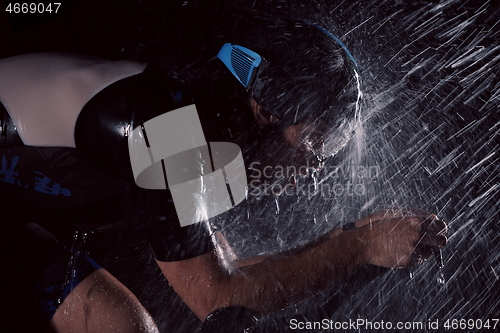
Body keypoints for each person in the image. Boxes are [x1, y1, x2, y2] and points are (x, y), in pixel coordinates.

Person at [1, 17, 447, 333]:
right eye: (317, 141)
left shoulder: (193, 129)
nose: (317, 167)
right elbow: (216, 297)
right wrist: (358, 246)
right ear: (266, 109)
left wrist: (353, 238)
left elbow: (224, 274)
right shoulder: (166, 130)